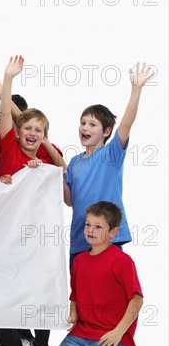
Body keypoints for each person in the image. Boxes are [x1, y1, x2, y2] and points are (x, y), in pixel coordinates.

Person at [0, 55, 66, 346]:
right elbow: (6, 113)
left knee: (42, 286)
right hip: (9, 235)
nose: (33, 133)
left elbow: (65, 172)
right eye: (28, 128)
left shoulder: (48, 159)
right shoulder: (9, 147)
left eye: (40, 130)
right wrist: (7, 81)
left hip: (40, 237)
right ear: (19, 133)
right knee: (8, 289)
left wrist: (47, 153)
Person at [64, 62, 155, 271]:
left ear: (105, 132)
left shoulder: (111, 154)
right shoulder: (75, 162)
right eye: (83, 122)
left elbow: (126, 124)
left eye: (92, 124)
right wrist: (60, 179)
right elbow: (69, 201)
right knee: (81, 295)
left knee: (109, 291)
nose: (85, 127)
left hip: (107, 238)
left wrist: (136, 90)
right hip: (80, 240)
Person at [50, 202, 143, 346]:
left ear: (113, 232)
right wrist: (73, 313)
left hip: (111, 334)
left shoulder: (122, 261)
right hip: (82, 332)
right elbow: (75, 293)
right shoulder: (79, 261)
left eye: (98, 227)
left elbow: (137, 300)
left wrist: (118, 332)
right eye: (88, 225)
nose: (90, 230)